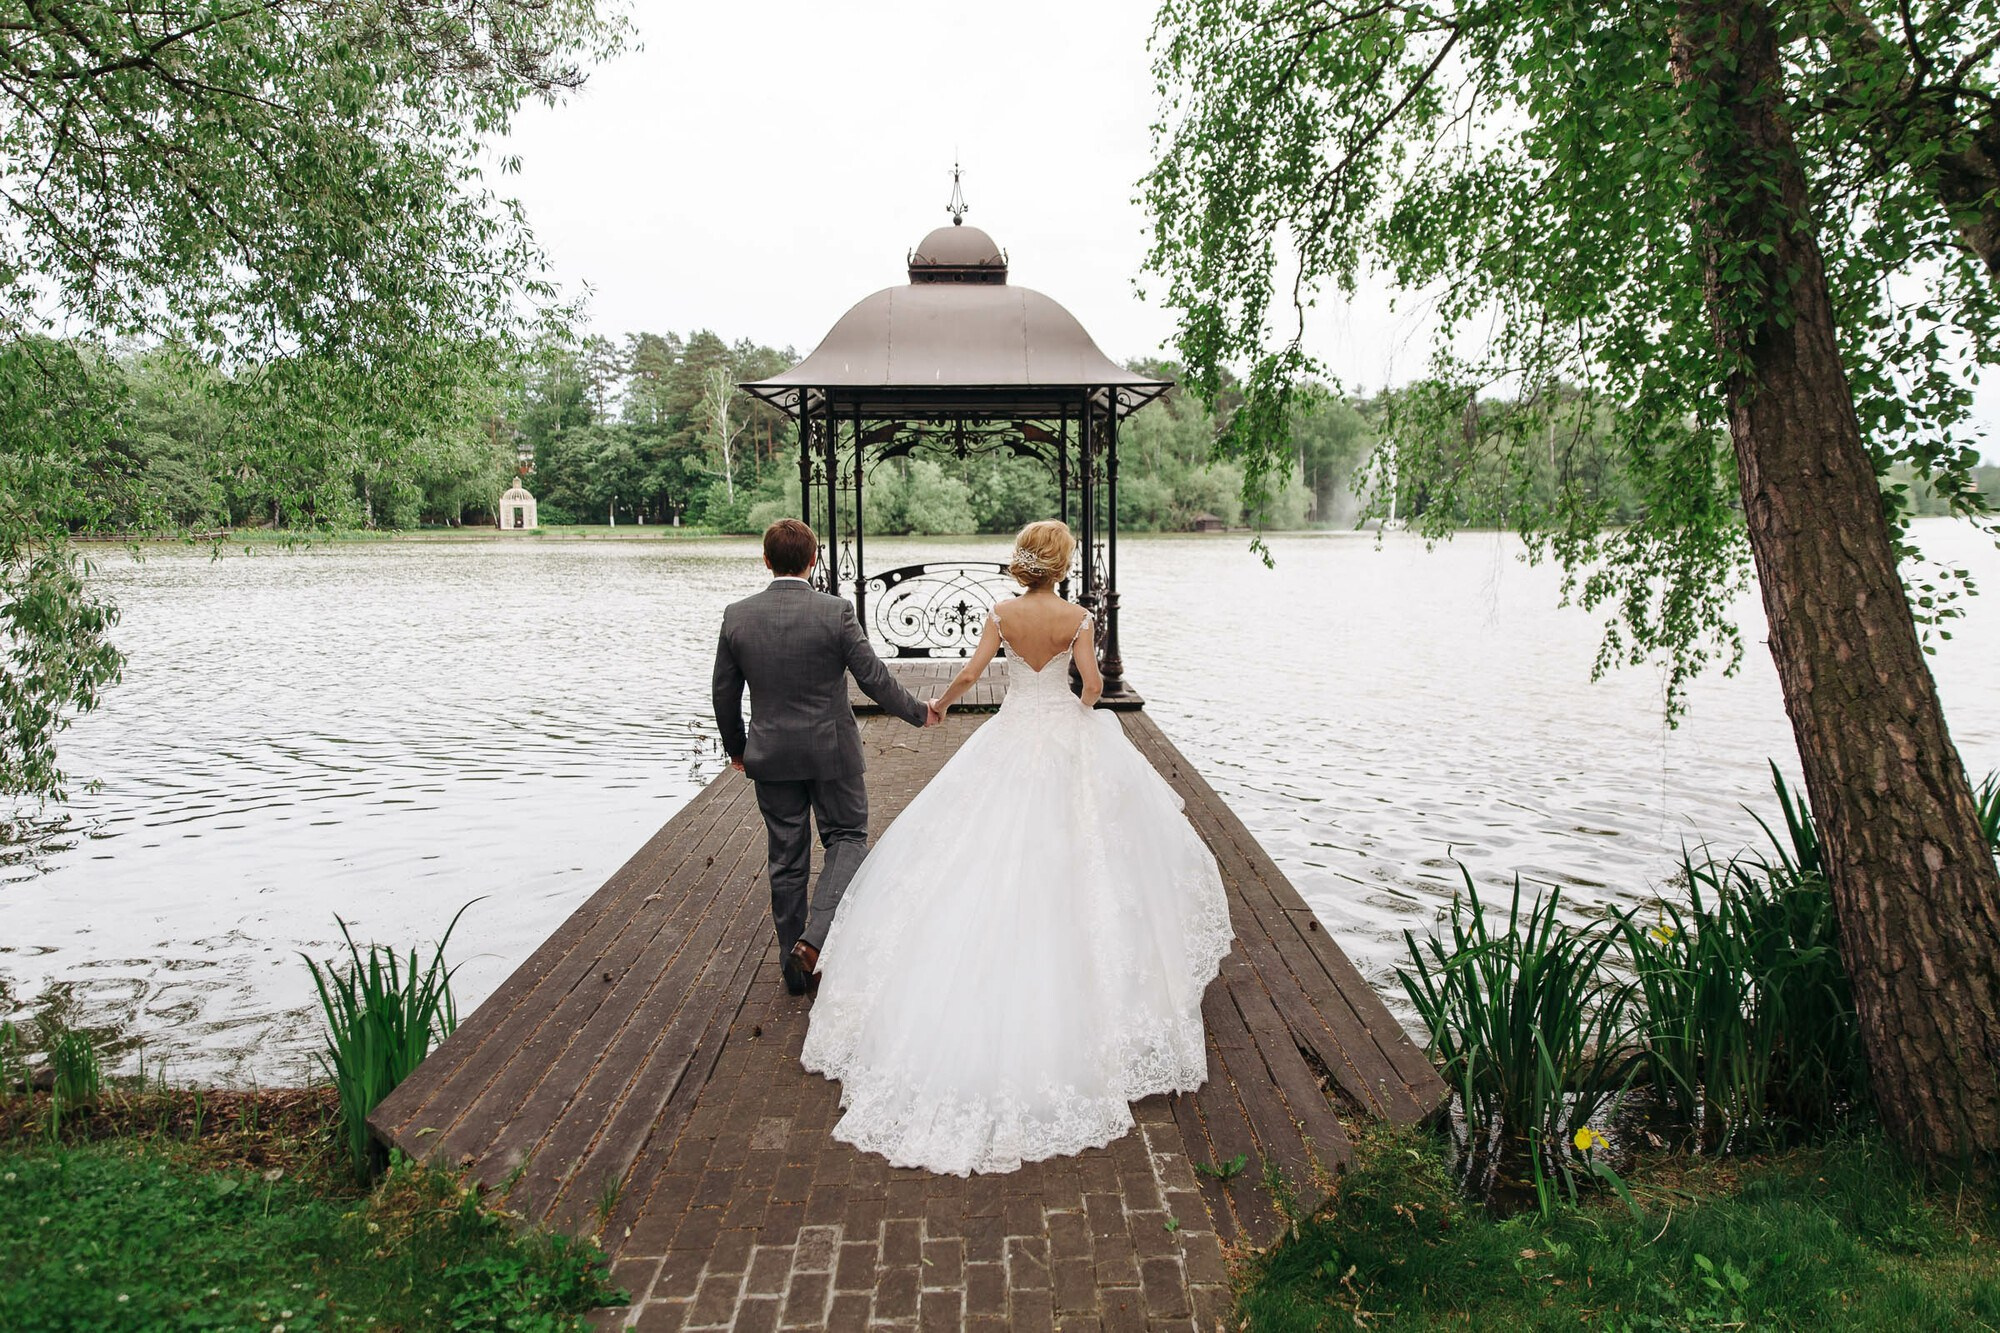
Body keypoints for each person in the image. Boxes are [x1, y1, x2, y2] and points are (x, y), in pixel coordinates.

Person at [798, 520, 1234, 1175]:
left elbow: (975, 672)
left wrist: (936, 703)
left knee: (973, 848)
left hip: (1010, 736)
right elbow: (1090, 684)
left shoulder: (1001, 612)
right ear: (1060, 564)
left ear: (1023, 562)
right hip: (1061, 735)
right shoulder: (1079, 617)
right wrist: (1084, 712)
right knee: (1080, 849)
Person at [711, 518, 940, 996]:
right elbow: (874, 678)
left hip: (770, 755)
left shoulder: (737, 616)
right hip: (832, 752)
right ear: (813, 561)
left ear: (767, 560)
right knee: (848, 837)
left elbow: (723, 695)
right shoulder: (836, 612)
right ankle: (814, 942)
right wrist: (920, 713)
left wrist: (738, 749)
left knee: (786, 858)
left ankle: (792, 957)